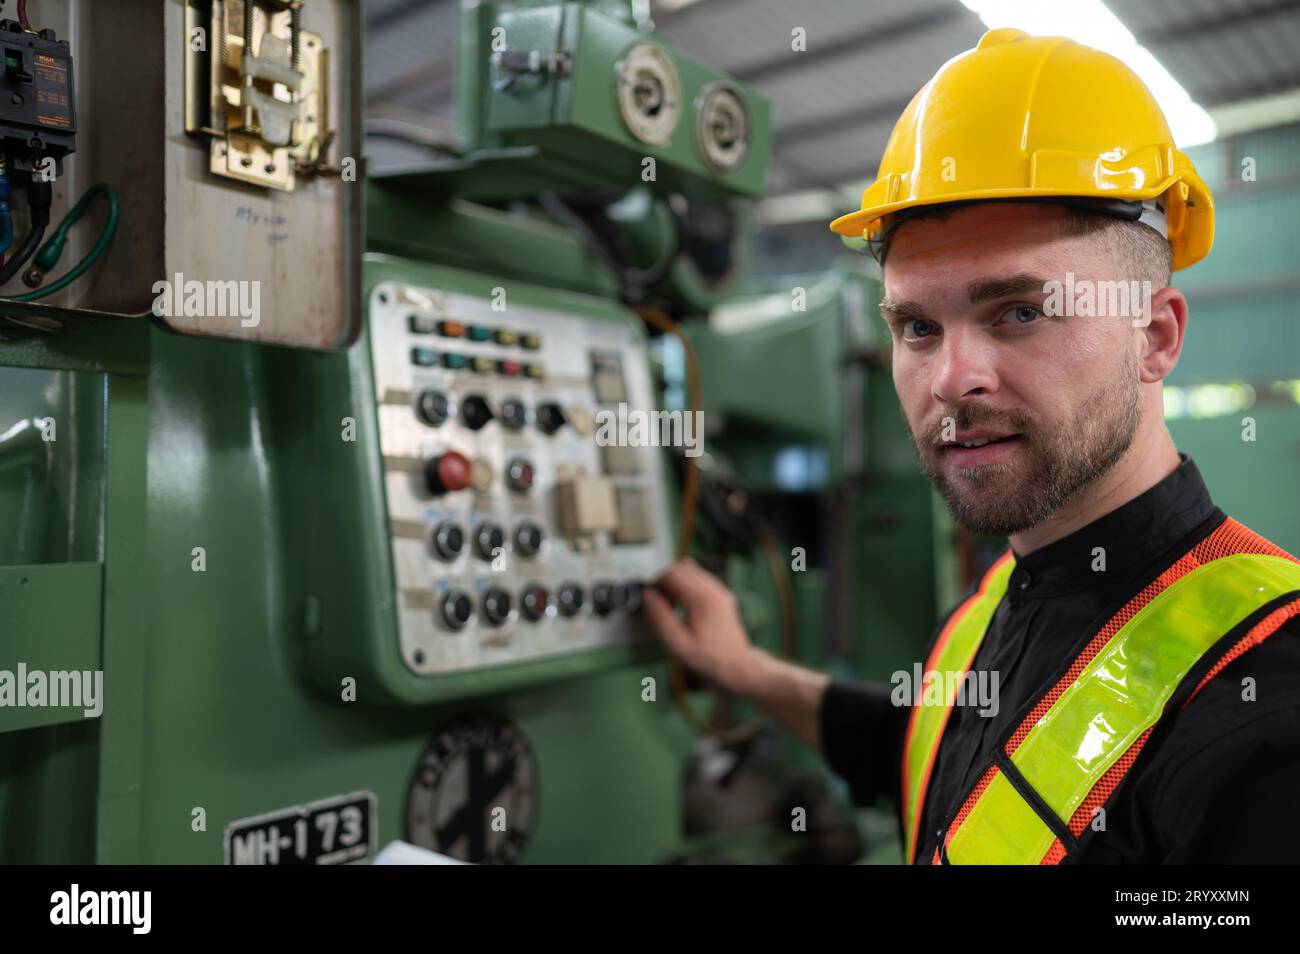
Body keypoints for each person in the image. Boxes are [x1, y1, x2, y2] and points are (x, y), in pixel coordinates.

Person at [643, 28, 1300, 864]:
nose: (951, 380)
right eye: (916, 326)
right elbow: (925, 758)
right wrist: (742, 667)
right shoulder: (1000, 594)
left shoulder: (1267, 702)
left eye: (1019, 312)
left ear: (1156, 338)